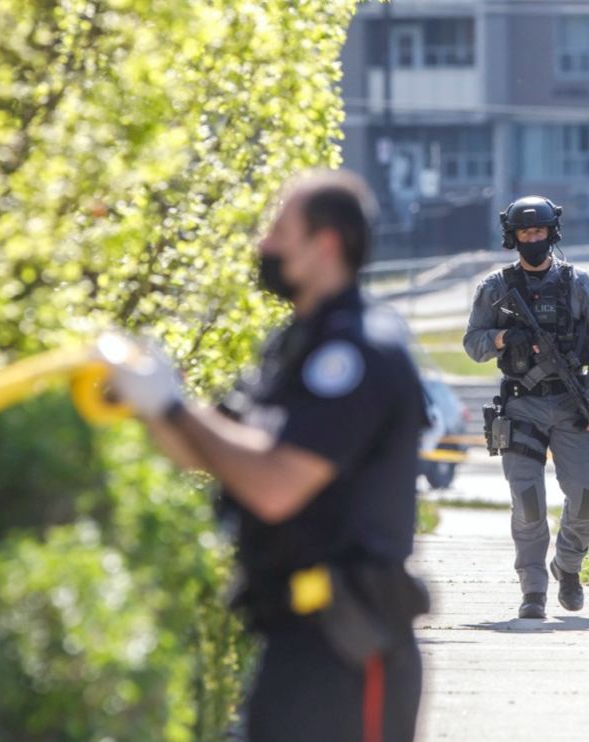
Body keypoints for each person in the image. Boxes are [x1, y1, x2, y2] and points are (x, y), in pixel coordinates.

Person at [99, 169, 429, 742]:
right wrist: (146, 399)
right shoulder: (291, 345)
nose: (263, 244)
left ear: (325, 245)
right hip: (292, 636)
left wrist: (173, 407)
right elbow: (206, 450)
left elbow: (274, 485)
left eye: (278, 229)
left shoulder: (358, 353)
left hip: (350, 646)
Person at [463, 196, 589, 619]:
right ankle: (533, 590)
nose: (533, 239)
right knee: (528, 503)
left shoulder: (578, 283)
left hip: (571, 406)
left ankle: (567, 566)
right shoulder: (495, 288)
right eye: (525, 234)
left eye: (540, 232)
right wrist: (501, 339)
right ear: (513, 238)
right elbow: (472, 343)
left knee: (588, 498)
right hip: (521, 407)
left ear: (553, 233)